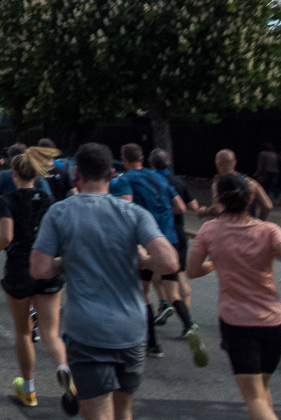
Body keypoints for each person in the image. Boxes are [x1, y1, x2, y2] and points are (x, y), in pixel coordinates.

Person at [31, 143, 179, 420]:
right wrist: (144, 261)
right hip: (132, 330)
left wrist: (65, 261)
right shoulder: (133, 213)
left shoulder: (60, 212)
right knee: (124, 410)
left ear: (78, 174)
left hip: (87, 330)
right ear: (111, 174)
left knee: (98, 412)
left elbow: (39, 270)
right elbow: (170, 262)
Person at [188, 174, 281, 420]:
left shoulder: (209, 230)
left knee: (254, 399)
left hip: (239, 324)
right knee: (261, 391)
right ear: (250, 198)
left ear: (219, 201)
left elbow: (192, 271)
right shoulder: (269, 230)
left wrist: (214, 262)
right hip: (275, 323)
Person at [0, 146, 74, 413]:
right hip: (47, 267)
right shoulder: (48, 201)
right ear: (37, 173)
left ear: (13, 174)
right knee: (51, 333)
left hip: (19, 269)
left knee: (23, 331)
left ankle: (29, 389)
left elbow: (6, 237)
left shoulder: (9, 201)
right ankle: (63, 368)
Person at [109, 143, 199, 361]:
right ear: (142, 158)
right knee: (173, 292)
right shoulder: (160, 177)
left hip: (147, 242)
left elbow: (127, 205)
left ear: (123, 158)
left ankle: (153, 344)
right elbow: (179, 207)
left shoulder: (126, 179)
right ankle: (188, 326)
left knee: (144, 293)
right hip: (170, 240)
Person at [149, 149, 199, 322]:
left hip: (162, 235)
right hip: (180, 232)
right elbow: (194, 205)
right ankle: (188, 315)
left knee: (156, 274)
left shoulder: (152, 182)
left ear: (151, 164)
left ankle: (164, 304)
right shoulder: (178, 182)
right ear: (168, 164)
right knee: (180, 276)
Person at [201, 150, 273, 222]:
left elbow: (217, 210)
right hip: (247, 227)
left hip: (227, 228)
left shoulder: (218, 184)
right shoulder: (250, 182)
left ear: (217, 164)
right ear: (235, 162)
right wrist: (258, 223)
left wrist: (204, 211)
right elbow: (267, 206)